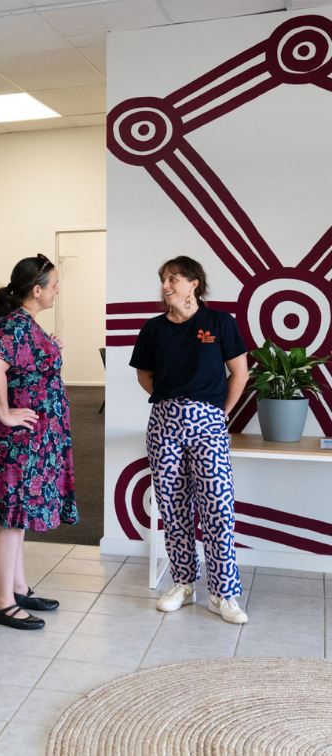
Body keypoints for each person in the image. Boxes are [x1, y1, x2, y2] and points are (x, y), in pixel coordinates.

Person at [130, 256, 250, 624]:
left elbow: (240, 372)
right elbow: (144, 376)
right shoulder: (153, 329)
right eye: (164, 279)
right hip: (164, 424)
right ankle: (183, 582)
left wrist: (220, 412)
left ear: (194, 283)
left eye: (174, 279)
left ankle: (224, 593)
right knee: (173, 506)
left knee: (217, 506)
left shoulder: (219, 323)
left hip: (209, 423)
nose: (166, 286)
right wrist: (174, 398)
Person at [0, 255, 78, 630]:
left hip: (28, 440)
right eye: (54, 285)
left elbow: (19, 364)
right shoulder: (14, 325)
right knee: (8, 517)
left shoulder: (21, 325)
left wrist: (48, 348)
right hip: (12, 441)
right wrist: (5, 413)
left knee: (16, 517)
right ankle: (2, 603)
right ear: (37, 290)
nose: (58, 290)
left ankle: (16, 589)